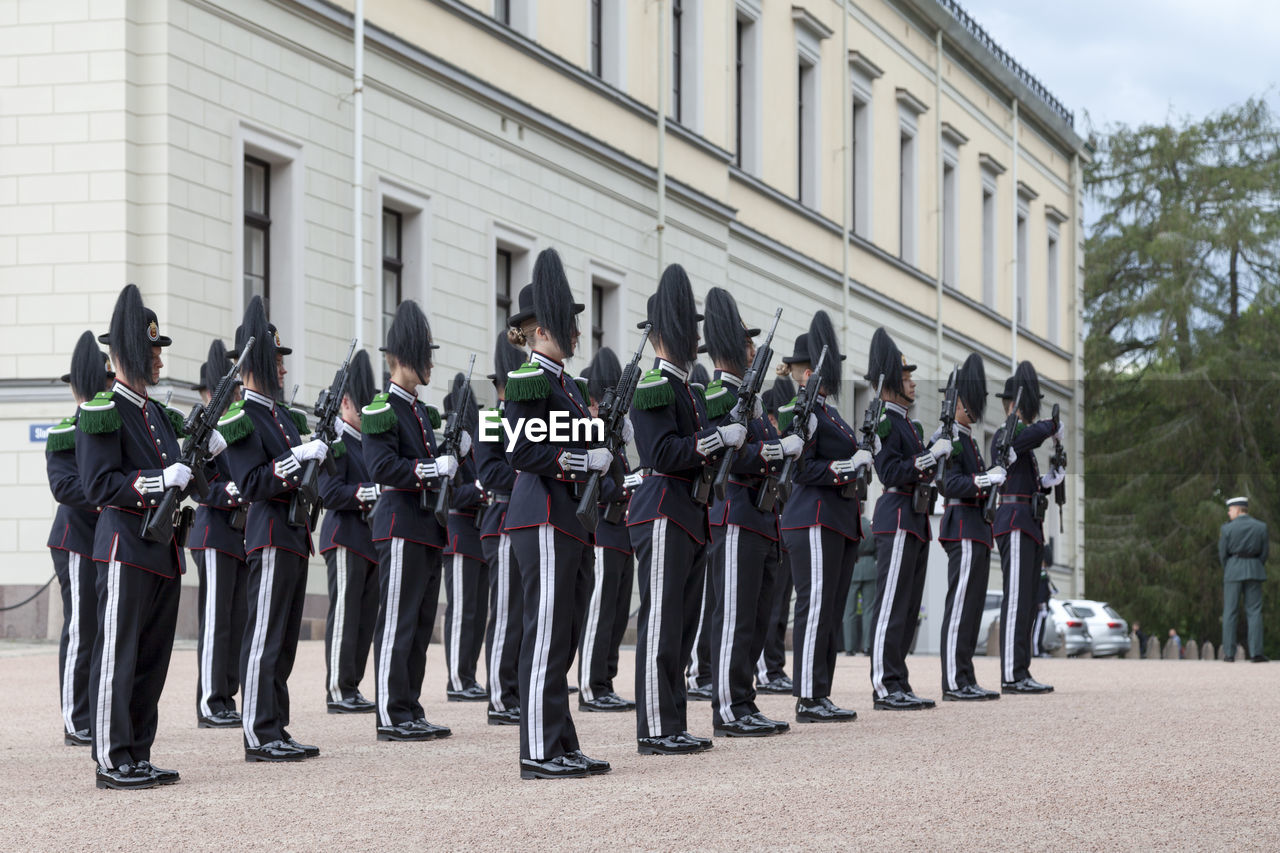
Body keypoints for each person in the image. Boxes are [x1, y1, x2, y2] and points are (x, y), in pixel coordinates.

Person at [78, 284, 206, 788]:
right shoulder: (103, 410)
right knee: (119, 653)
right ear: (129, 350)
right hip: (125, 547)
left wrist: (201, 458)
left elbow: (187, 480)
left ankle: (138, 750)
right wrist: (158, 481)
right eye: (152, 348)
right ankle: (112, 758)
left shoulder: (156, 414)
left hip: (162, 551)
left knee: (151, 660)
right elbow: (98, 484)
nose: (158, 357)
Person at [502, 247, 614, 779]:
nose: (576, 331)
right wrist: (579, 457)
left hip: (568, 518)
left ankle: (561, 739)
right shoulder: (530, 379)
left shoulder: (568, 383)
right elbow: (521, 450)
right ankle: (539, 749)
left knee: (563, 632)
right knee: (546, 631)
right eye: (568, 321)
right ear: (544, 327)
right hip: (543, 513)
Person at [629, 266, 739, 755]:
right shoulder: (654, 385)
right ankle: (655, 725)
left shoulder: (691, 393)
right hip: (662, 509)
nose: (695, 337)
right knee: (661, 621)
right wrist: (716, 438)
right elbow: (663, 453)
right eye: (687, 327)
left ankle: (672, 718)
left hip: (689, 514)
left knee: (683, 623)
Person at [218, 298, 326, 762]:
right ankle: (259, 732)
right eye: (276, 360)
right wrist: (296, 459)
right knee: (264, 634)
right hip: (267, 532)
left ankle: (276, 724)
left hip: (294, 532)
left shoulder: (282, 417)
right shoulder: (240, 417)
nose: (282, 369)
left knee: (282, 638)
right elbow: (251, 482)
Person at [701, 288, 797, 737]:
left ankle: (744, 699)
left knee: (758, 613)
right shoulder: (721, 393)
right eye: (746, 343)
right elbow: (736, 457)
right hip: (737, 511)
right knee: (735, 613)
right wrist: (778, 448)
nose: (754, 350)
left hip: (760, 514)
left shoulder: (751, 399)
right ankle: (727, 706)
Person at [360, 300, 456, 742]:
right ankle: (391, 712)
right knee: (398, 620)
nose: (430, 363)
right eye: (423, 355)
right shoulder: (382, 409)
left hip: (426, 527)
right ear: (403, 358)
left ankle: (410, 706)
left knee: (419, 623)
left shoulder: (419, 411)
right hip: (399, 524)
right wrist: (431, 469)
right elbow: (381, 467)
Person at [777, 312, 869, 723]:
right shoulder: (802, 409)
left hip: (837, 519)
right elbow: (801, 470)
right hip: (813, 516)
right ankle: (808, 696)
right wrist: (848, 467)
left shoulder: (829, 411)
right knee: (815, 605)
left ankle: (821, 691)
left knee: (829, 607)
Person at [866, 327, 947, 711]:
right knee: (891, 605)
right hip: (896, 515)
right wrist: (930, 457)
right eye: (907, 377)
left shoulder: (907, 423)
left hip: (915, 517)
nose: (913, 383)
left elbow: (918, 470)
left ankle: (899, 679)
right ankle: (884, 684)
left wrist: (932, 453)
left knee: (909, 606)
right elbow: (891, 471)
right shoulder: (883, 419)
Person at [47, 331, 112, 747]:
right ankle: (76, 718)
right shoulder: (65, 433)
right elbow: (65, 488)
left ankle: (95, 709)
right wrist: (108, 492)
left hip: (105, 538)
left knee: (103, 629)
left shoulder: (109, 425)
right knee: (81, 628)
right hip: (76, 538)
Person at [992, 361, 1063, 694]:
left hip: (1030, 521)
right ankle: (1010, 673)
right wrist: (1052, 425)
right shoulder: (1008, 434)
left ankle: (1021, 668)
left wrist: (1047, 482)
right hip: (1015, 521)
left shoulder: (1021, 437)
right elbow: (1028, 437)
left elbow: (1025, 476)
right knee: (1016, 598)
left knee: (1028, 600)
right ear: (1013, 404)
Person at [189, 339, 249, 728]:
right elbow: (197, 480)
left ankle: (227, 694)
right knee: (217, 619)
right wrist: (229, 491)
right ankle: (211, 701)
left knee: (237, 617)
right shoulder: (201, 428)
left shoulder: (235, 421)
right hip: (212, 531)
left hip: (238, 533)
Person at [936, 353, 1003, 701]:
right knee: (960, 606)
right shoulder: (948, 436)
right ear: (959, 401)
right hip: (961, 525)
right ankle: (953, 680)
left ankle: (966, 675)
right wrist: (985, 478)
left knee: (973, 608)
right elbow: (950, 484)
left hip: (976, 528)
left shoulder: (968, 438)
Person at [577, 347, 640, 713]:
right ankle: (590, 684)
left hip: (621, 529)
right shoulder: (588, 432)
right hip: (601, 527)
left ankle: (606, 680)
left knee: (617, 612)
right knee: (600, 611)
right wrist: (628, 483)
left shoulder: (612, 433)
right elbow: (595, 482)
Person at [317, 348, 380, 714]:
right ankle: (338, 688)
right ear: (345, 403)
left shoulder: (366, 442)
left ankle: (352, 684)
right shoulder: (335, 441)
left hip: (368, 540)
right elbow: (330, 493)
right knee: (345, 613)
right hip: (344, 537)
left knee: (364, 618)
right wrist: (370, 492)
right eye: (360, 406)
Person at [476, 333, 524, 726]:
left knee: (524, 609)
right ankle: (500, 695)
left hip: (523, 519)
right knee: (506, 610)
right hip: (504, 518)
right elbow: (489, 472)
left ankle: (517, 688)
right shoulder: (492, 419)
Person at [441, 371, 490, 702]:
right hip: (457, 534)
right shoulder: (448, 447)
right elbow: (449, 496)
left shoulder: (473, 447)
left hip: (478, 535)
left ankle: (468, 674)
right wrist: (475, 488)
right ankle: (458, 678)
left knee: (476, 611)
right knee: (462, 610)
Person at [755, 376, 795, 694]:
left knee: (780, 606)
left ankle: (775, 665)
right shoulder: (771, 444)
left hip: (782, 530)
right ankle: (766, 669)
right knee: (765, 606)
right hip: (765, 526)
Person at [1219, 495, 1268, 662]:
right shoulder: (1261, 527)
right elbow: (1264, 553)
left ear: (1238, 509)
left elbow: (1223, 554)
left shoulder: (1227, 529)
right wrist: (1254, 564)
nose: (1229, 512)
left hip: (1233, 569)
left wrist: (1231, 567)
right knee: (1254, 612)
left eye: (1230, 509)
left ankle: (1229, 653)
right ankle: (1256, 653)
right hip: (1254, 569)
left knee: (1230, 612)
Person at [841, 516, 876, 656]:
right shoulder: (870, 525)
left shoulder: (849, 522)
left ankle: (849, 647)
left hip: (853, 567)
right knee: (869, 610)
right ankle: (867, 646)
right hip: (870, 566)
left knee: (849, 610)